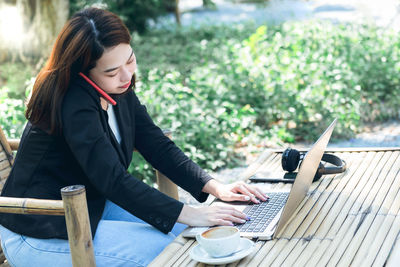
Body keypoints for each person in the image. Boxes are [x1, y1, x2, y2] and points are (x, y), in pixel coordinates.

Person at [0, 7, 268, 267]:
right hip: (39, 229)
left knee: (191, 235)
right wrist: (191, 212)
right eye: (112, 71)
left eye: (129, 60)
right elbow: (112, 179)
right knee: (170, 252)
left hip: (92, 209)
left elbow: (155, 143)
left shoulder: (116, 87)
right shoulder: (74, 102)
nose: (127, 75)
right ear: (83, 72)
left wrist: (215, 186)